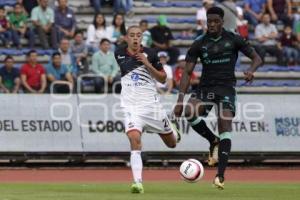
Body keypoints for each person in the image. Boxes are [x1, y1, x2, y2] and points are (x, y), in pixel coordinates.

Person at [173, 7, 262, 189]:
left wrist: (251, 71)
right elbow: (187, 72)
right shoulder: (199, 42)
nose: (212, 24)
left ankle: (220, 176)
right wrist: (180, 100)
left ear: (222, 22)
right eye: (209, 21)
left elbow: (257, 58)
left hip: (226, 89)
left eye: (215, 21)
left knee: (225, 126)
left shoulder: (233, 38)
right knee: (190, 111)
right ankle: (212, 140)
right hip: (206, 89)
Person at [114, 26, 181, 193]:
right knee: (134, 138)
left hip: (152, 107)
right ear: (126, 38)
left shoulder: (151, 53)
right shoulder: (118, 52)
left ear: (142, 37)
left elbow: (163, 78)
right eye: (132, 35)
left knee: (172, 144)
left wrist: (147, 63)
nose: (135, 38)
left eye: (138, 35)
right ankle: (138, 183)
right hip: (131, 107)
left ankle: (172, 129)